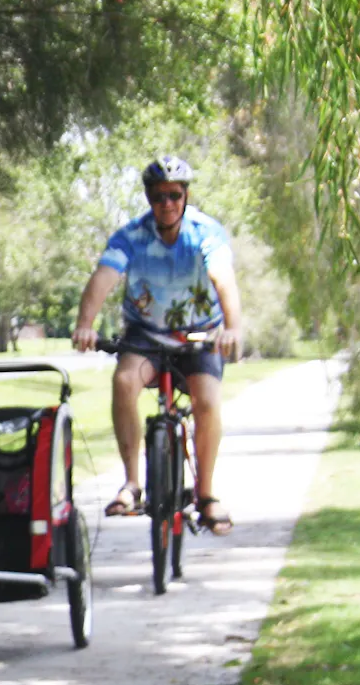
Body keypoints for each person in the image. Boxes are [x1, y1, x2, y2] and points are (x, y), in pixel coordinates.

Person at [71, 154, 242, 534]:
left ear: (185, 196)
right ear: (148, 198)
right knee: (124, 382)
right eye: (159, 196)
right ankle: (132, 483)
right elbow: (104, 277)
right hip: (145, 335)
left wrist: (233, 327)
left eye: (175, 195)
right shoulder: (131, 235)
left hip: (198, 334)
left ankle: (207, 495)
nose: (167, 204)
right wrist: (85, 324)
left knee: (208, 401)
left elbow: (223, 277)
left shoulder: (206, 233)